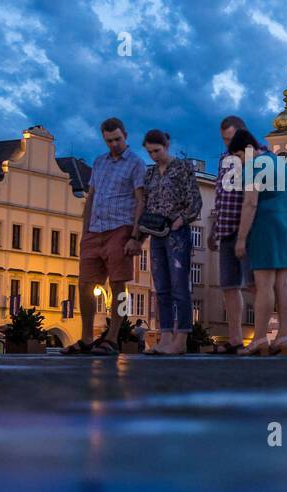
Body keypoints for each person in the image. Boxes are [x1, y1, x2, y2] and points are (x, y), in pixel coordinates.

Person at [66, 117, 145, 355]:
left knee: (118, 284)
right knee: (84, 285)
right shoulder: (99, 162)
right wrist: (84, 231)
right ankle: (87, 337)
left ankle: (112, 337)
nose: (114, 144)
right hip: (95, 230)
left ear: (126, 136)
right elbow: (91, 197)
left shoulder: (136, 163)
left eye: (118, 139)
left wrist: (135, 235)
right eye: (109, 140)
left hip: (120, 228)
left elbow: (141, 200)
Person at [231, 128, 287, 355]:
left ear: (246, 150)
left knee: (264, 285)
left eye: (239, 157)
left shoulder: (254, 165)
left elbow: (250, 203)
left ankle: (259, 338)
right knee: (283, 284)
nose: (239, 162)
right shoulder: (279, 163)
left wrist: (241, 239)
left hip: (266, 226)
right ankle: (284, 337)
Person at [141, 129, 202, 355]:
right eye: (149, 152)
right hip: (156, 232)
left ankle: (181, 338)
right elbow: (146, 202)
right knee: (161, 288)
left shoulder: (183, 168)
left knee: (180, 286)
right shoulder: (150, 174)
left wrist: (181, 220)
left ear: (167, 144)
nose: (154, 156)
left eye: (156, 151)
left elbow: (195, 202)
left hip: (177, 232)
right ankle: (164, 336)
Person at [207, 115, 259, 353]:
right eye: (223, 140)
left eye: (229, 139)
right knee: (229, 285)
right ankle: (236, 337)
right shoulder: (224, 158)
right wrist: (213, 228)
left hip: (248, 229)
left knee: (254, 284)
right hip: (225, 228)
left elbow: (252, 198)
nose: (226, 145)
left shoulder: (258, 156)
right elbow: (220, 195)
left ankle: (260, 336)